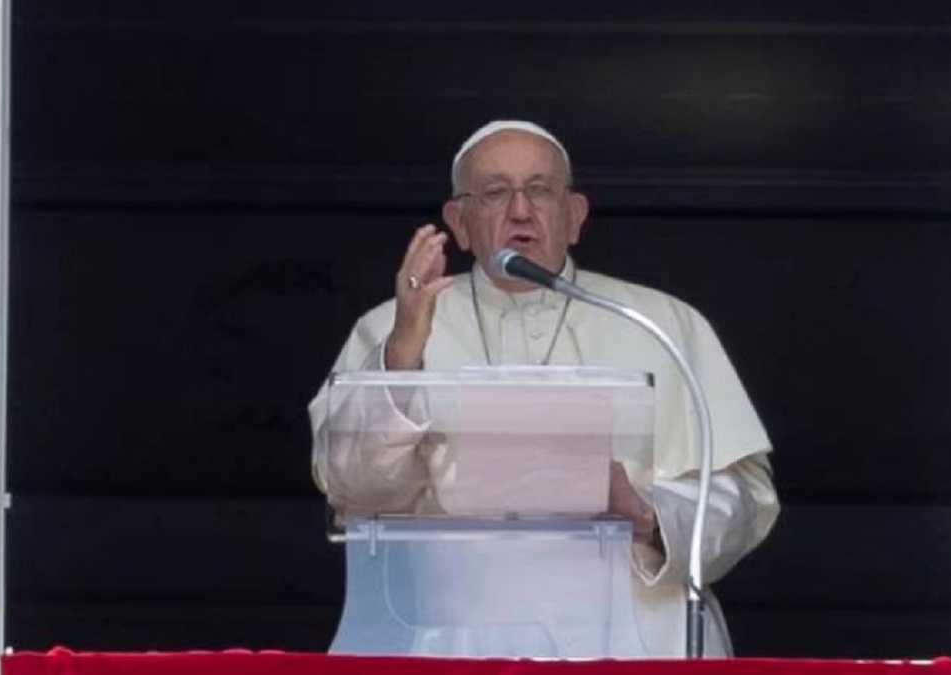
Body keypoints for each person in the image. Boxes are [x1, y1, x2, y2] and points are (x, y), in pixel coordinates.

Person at [308, 120, 778, 657]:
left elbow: (748, 497)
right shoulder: (391, 328)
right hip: (455, 645)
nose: (520, 210)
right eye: (494, 192)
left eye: (539, 189)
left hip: (639, 646)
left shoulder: (662, 323)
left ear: (574, 216)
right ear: (459, 223)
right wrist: (404, 356)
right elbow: (354, 493)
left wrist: (647, 510)